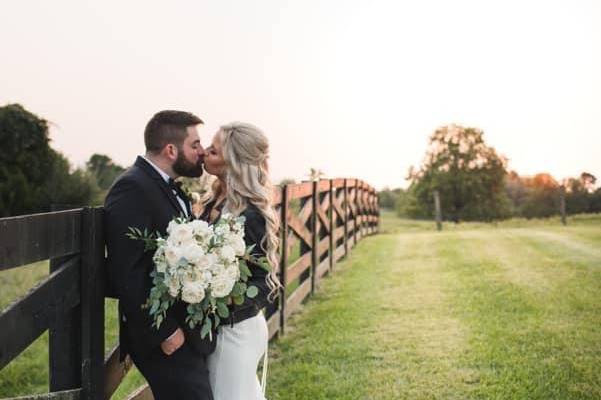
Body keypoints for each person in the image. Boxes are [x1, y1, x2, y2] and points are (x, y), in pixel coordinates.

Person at [104, 110, 215, 400]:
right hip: (162, 335)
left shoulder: (163, 186)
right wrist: (164, 331)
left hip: (183, 330)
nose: (202, 152)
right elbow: (126, 270)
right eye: (195, 144)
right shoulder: (132, 187)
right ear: (170, 149)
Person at [201, 122, 281, 400]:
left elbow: (263, 283)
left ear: (234, 160)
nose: (204, 153)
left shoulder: (251, 214)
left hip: (236, 330)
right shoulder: (212, 202)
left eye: (213, 149)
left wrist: (224, 302)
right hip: (216, 330)